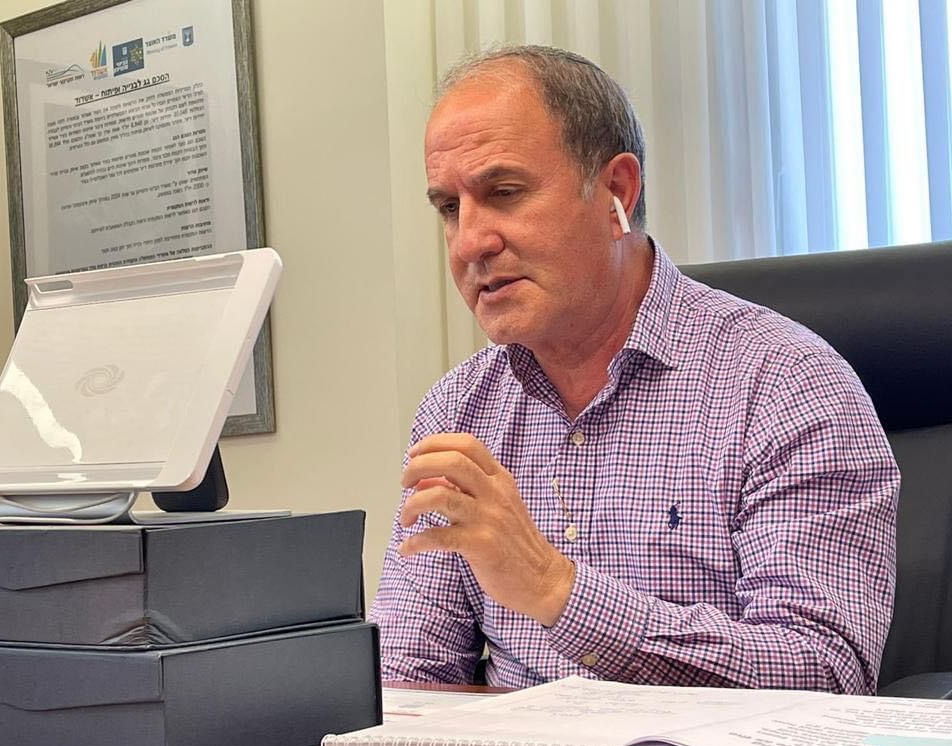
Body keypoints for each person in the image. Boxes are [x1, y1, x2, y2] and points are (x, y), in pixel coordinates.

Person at [369, 44, 899, 694]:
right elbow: (404, 680)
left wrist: (554, 589)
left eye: (504, 193)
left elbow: (825, 673)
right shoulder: (458, 408)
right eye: (449, 209)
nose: (470, 242)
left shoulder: (787, 383)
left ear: (616, 191)